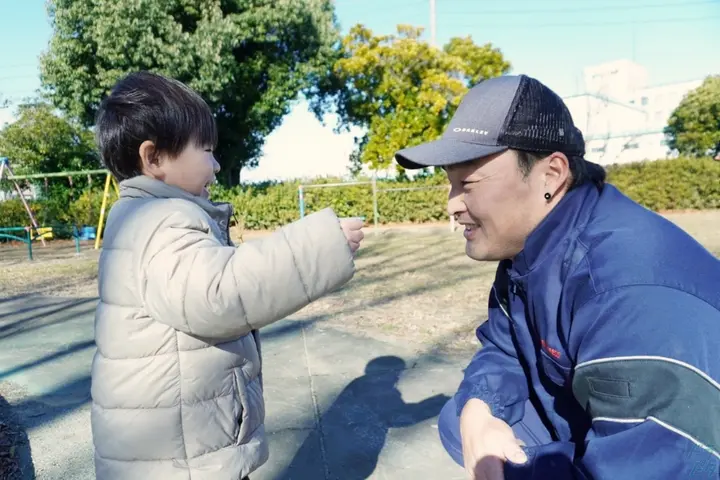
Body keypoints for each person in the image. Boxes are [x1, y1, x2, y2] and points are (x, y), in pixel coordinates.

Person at [394, 74, 720, 479]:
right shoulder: (530, 253)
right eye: (450, 184)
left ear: (551, 174)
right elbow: (504, 344)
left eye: (468, 183)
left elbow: (665, 462)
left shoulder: (624, 285)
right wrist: (479, 411)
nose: (452, 205)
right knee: (461, 419)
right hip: (595, 420)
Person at [90, 71, 365, 480]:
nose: (216, 165)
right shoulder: (161, 220)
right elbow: (217, 293)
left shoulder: (141, 216)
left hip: (174, 446)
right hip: (179, 459)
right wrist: (318, 246)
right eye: (206, 150)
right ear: (154, 158)